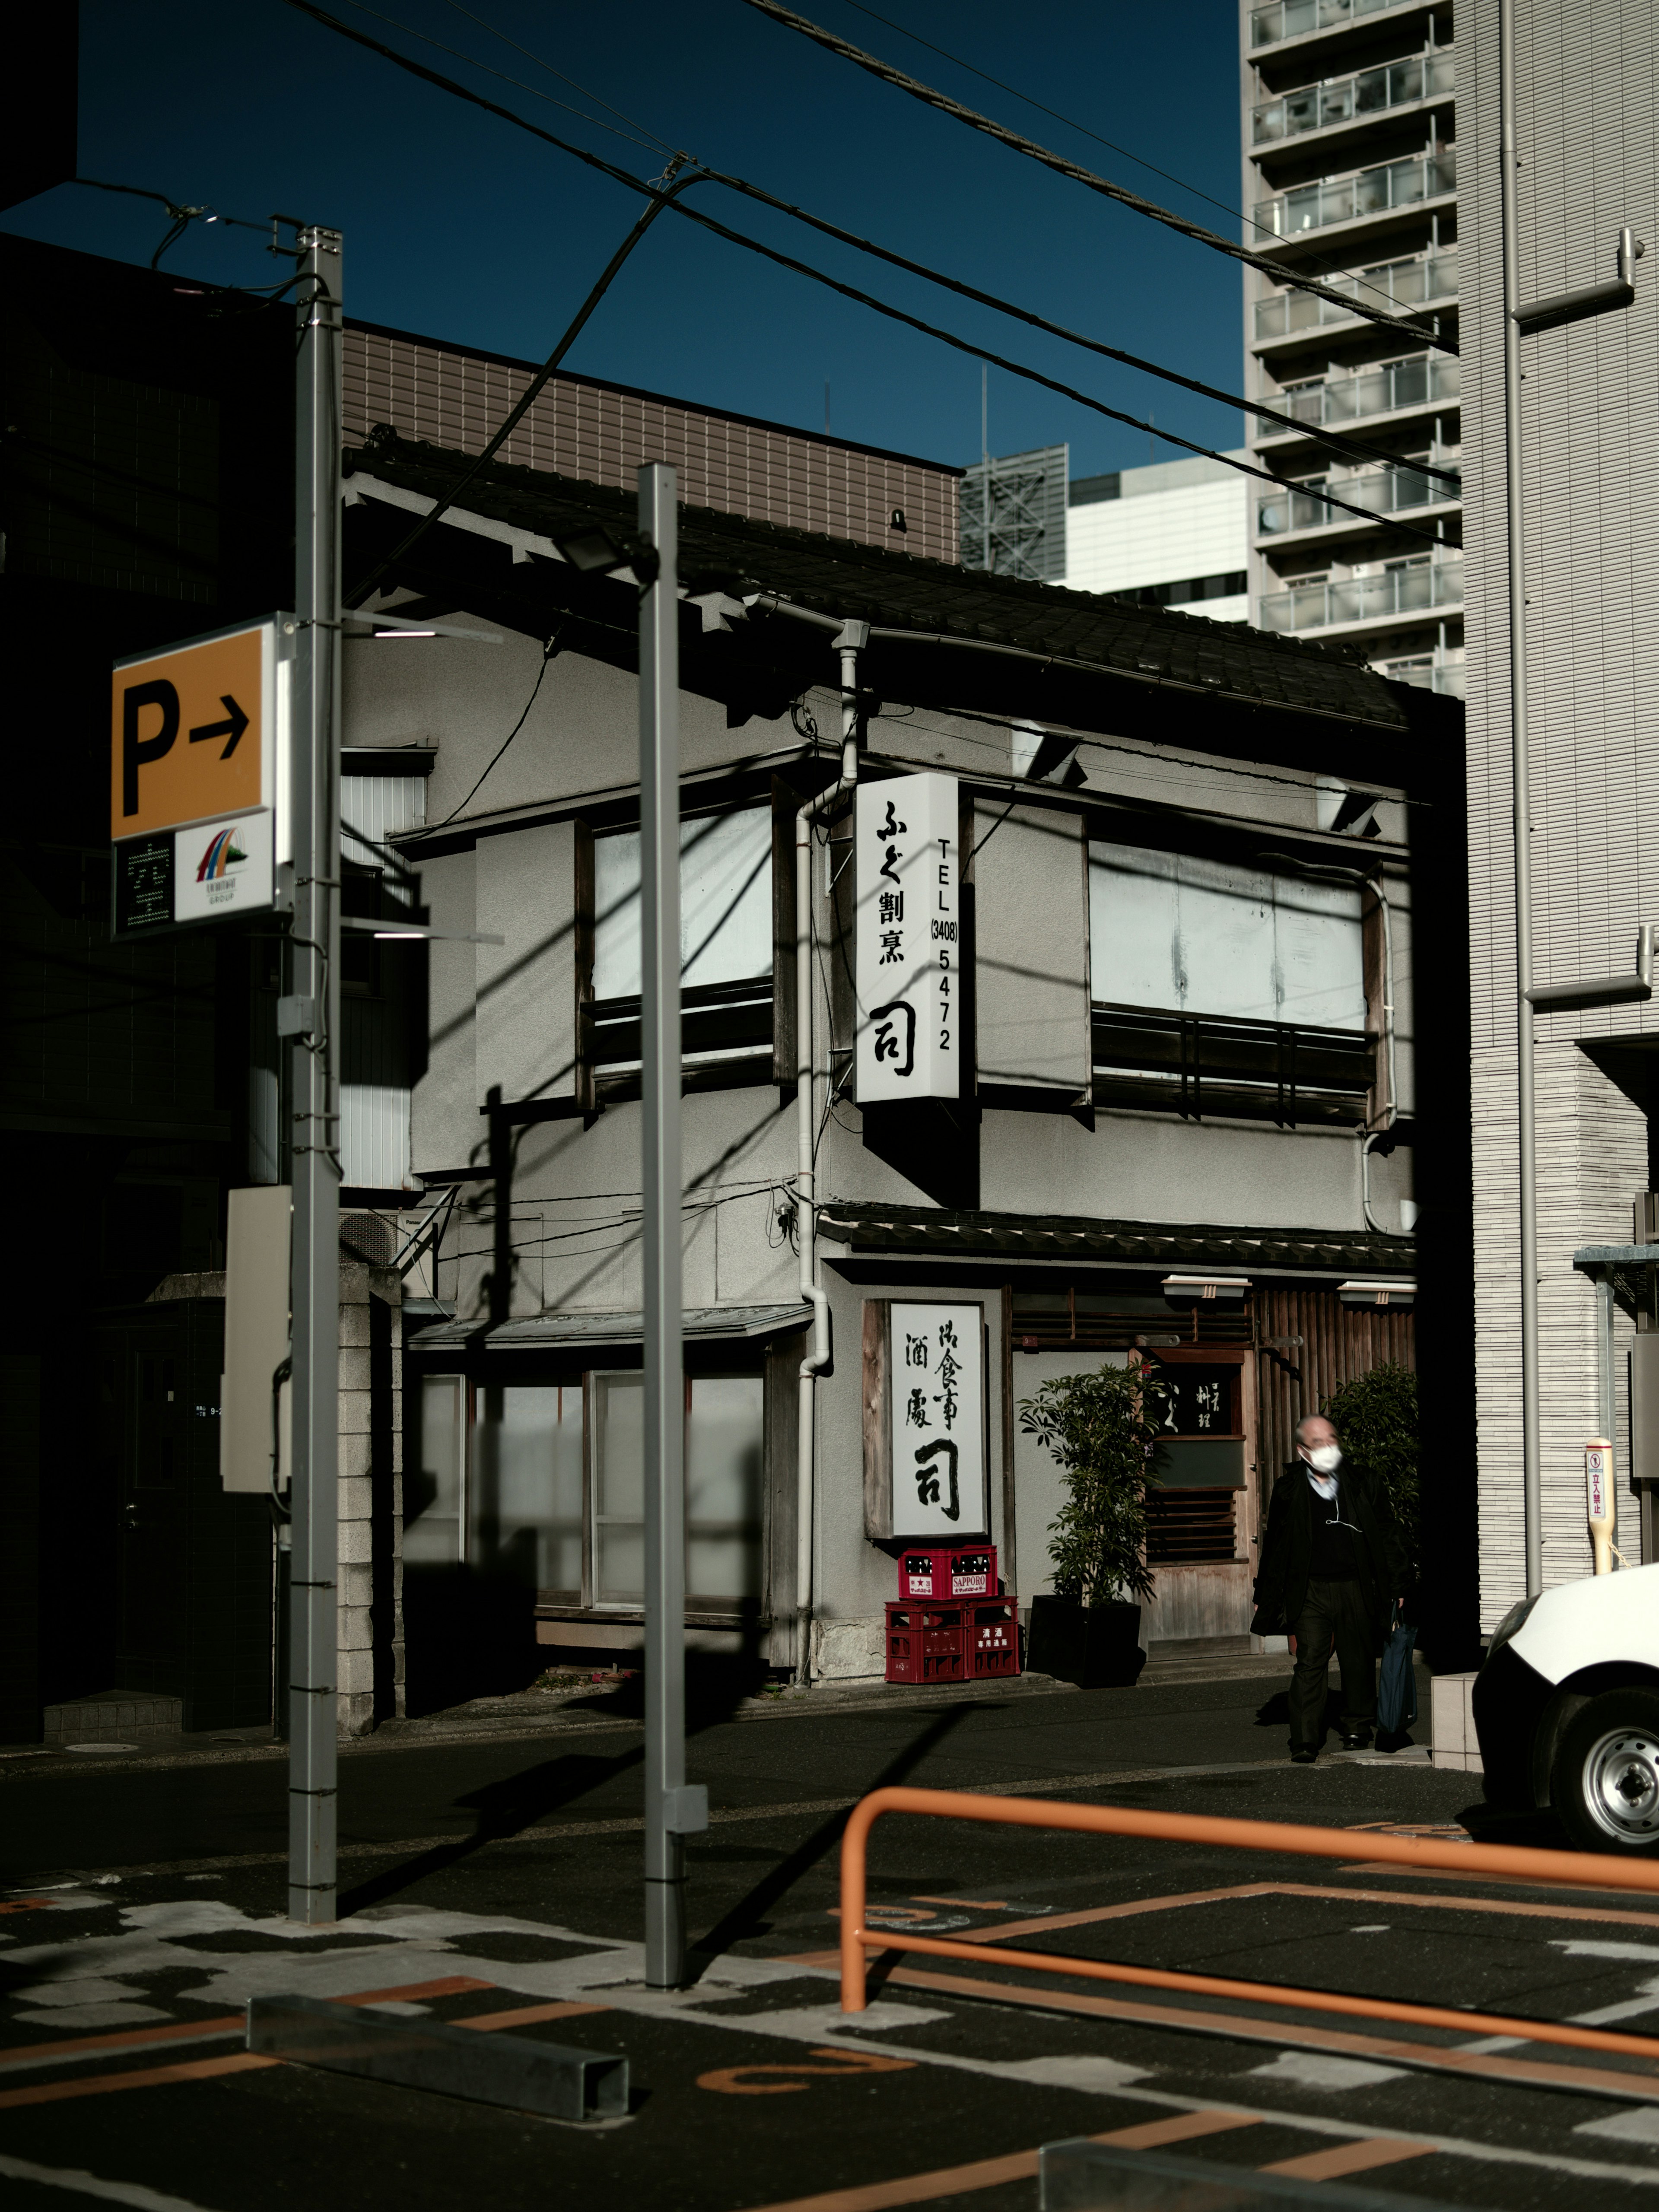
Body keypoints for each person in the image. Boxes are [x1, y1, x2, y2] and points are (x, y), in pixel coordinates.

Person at [1251, 1414, 1407, 1764]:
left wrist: (1398, 1583)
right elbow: (1275, 1544)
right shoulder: (1288, 1488)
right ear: (1302, 1450)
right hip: (1310, 1589)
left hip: (1357, 1586)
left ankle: (1358, 1727)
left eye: (1332, 1440)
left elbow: (1387, 1533)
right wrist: (1264, 1595)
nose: (1328, 1448)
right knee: (1310, 1662)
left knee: (1359, 1661)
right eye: (1318, 1443)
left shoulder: (1363, 1481)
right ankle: (1304, 1740)